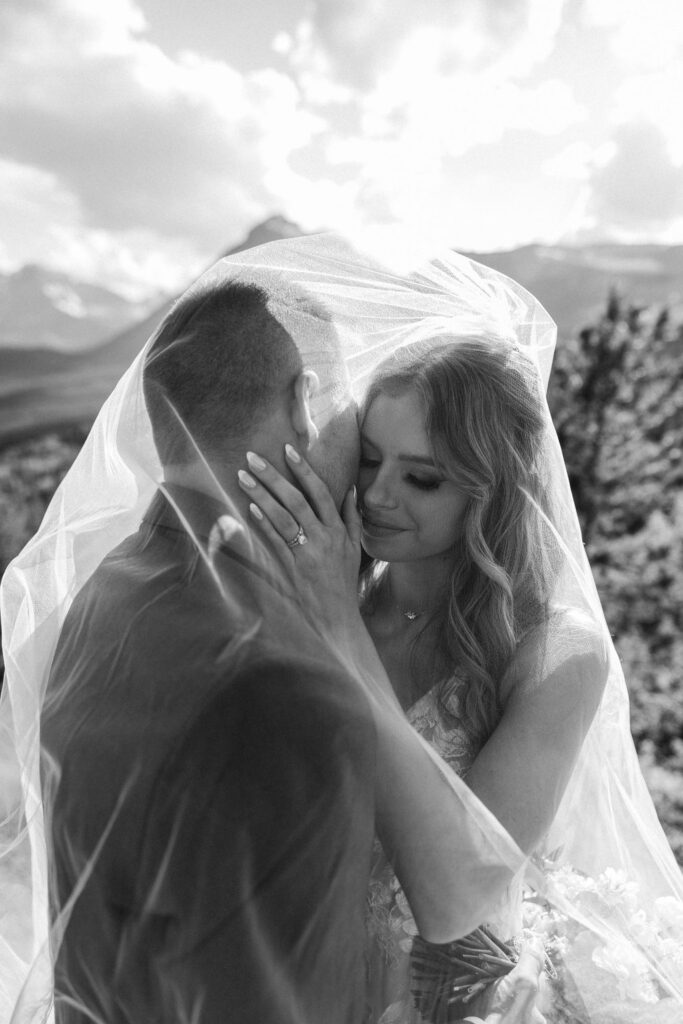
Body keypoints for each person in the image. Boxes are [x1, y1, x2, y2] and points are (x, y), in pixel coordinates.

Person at [0, 257, 527, 1023]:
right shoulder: (288, 679)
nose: (371, 484)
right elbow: (286, 982)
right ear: (303, 403)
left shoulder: (102, 595)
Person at [229, 241, 683, 1022]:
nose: (375, 495)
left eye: (422, 476)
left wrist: (339, 628)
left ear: (493, 487)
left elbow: (454, 900)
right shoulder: (330, 597)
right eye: (369, 459)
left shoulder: (554, 652)